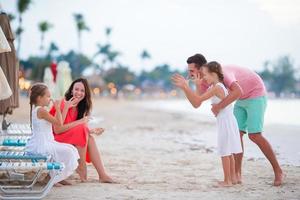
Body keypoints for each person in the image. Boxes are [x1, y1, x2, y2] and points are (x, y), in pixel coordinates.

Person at [175, 53, 284, 186]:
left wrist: (219, 107)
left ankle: (278, 171)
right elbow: (197, 103)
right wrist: (188, 87)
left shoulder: (220, 73)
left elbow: (238, 91)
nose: (189, 73)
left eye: (191, 70)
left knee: (254, 135)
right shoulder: (207, 80)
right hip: (240, 99)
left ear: (200, 68)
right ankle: (236, 175)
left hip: (255, 93)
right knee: (236, 136)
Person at [172, 61, 242, 187]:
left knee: (224, 151)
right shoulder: (217, 86)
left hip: (225, 121)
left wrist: (186, 87)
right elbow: (198, 100)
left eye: (205, 75)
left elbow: (198, 99)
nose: (203, 78)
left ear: (214, 74)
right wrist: (198, 85)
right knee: (228, 150)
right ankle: (232, 179)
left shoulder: (217, 88)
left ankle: (227, 181)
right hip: (227, 120)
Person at [49, 78, 114, 183]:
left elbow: (77, 128)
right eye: (76, 89)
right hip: (55, 138)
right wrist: (79, 122)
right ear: (71, 91)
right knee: (83, 130)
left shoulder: (81, 107)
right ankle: (82, 166)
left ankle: (102, 175)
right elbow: (57, 130)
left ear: (86, 93)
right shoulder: (62, 103)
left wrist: (91, 130)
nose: (79, 93)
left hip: (67, 137)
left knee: (90, 138)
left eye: (82, 90)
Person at [26, 83, 83, 186]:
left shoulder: (41, 110)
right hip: (42, 145)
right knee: (68, 152)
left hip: (46, 142)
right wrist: (58, 108)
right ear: (39, 98)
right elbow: (59, 123)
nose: (50, 99)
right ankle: (52, 178)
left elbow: (58, 121)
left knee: (70, 149)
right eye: (48, 96)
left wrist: (65, 107)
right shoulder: (41, 111)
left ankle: (56, 177)